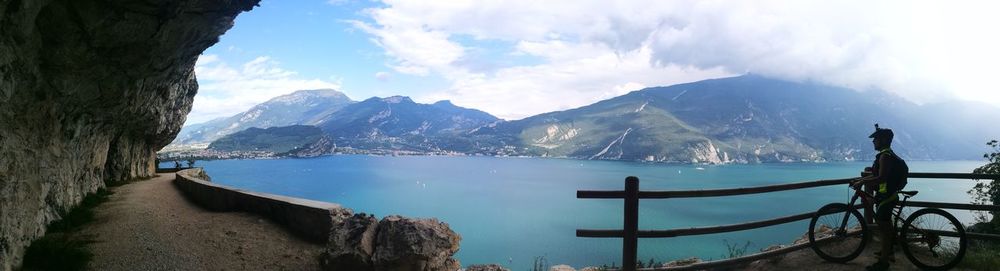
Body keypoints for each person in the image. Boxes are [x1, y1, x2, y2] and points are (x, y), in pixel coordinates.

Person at [850, 124, 908, 271]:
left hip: (887, 196)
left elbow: (881, 177)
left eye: (875, 139)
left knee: (884, 228)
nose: (873, 142)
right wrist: (864, 179)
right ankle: (888, 252)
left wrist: (862, 181)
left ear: (882, 140)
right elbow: (879, 175)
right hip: (888, 194)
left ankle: (883, 263)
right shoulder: (887, 154)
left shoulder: (884, 156)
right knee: (885, 227)